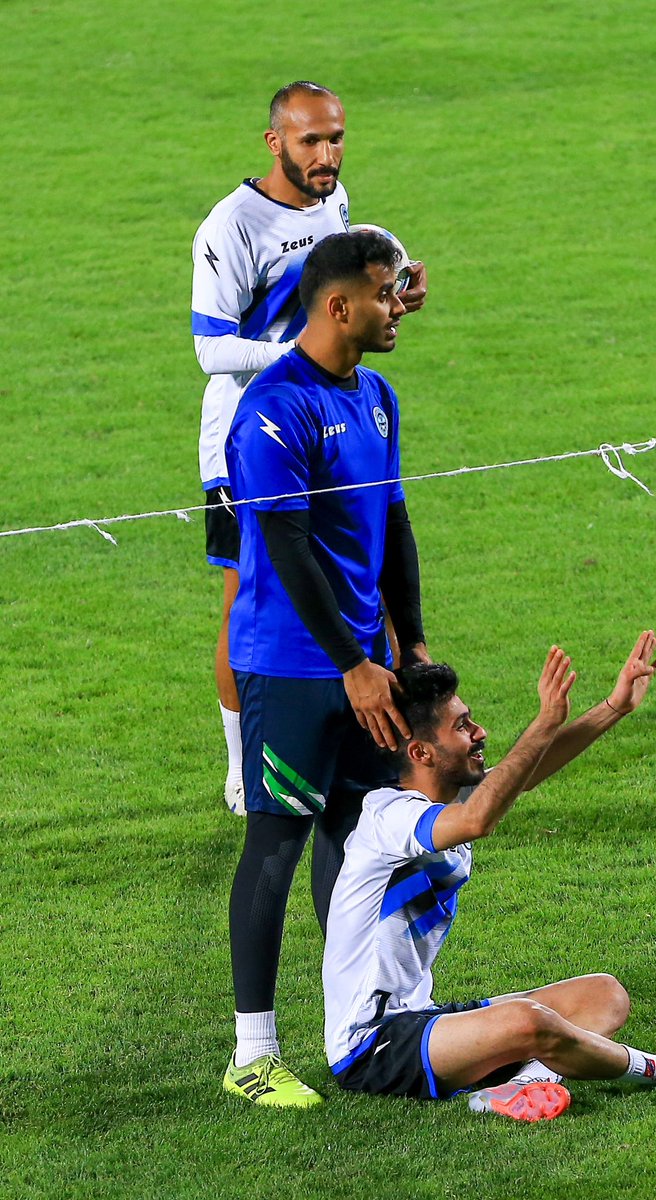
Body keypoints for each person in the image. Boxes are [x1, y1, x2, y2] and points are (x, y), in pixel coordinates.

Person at [321, 633, 656, 1121]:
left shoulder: (446, 803)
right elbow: (480, 818)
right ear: (422, 753)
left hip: (425, 1019)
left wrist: (613, 706)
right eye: (462, 726)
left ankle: (519, 1085)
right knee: (529, 1022)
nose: (479, 732)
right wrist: (542, 722)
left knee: (602, 994)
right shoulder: (387, 817)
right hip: (371, 1043)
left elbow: (522, 775)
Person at [221, 229, 429, 1108]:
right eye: (386, 293)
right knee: (277, 843)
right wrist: (351, 662)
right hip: (296, 667)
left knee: (358, 842)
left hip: (369, 668)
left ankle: (364, 1019)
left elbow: (395, 523)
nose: (400, 307)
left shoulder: (376, 395)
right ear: (339, 305)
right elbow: (287, 541)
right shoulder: (271, 409)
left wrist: (409, 645)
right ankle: (252, 1055)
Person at [191, 80, 428, 815]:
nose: (326, 155)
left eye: (335, 139)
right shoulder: (229, 227)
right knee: (246, 599)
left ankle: (375, 742)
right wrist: (298, 356)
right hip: (251, 437)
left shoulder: (336, 201)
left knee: (360, 572)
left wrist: (391, 295)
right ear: (274, 143)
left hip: (336, 427)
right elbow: (209, 350)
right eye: (310, 142)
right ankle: (242, 765)